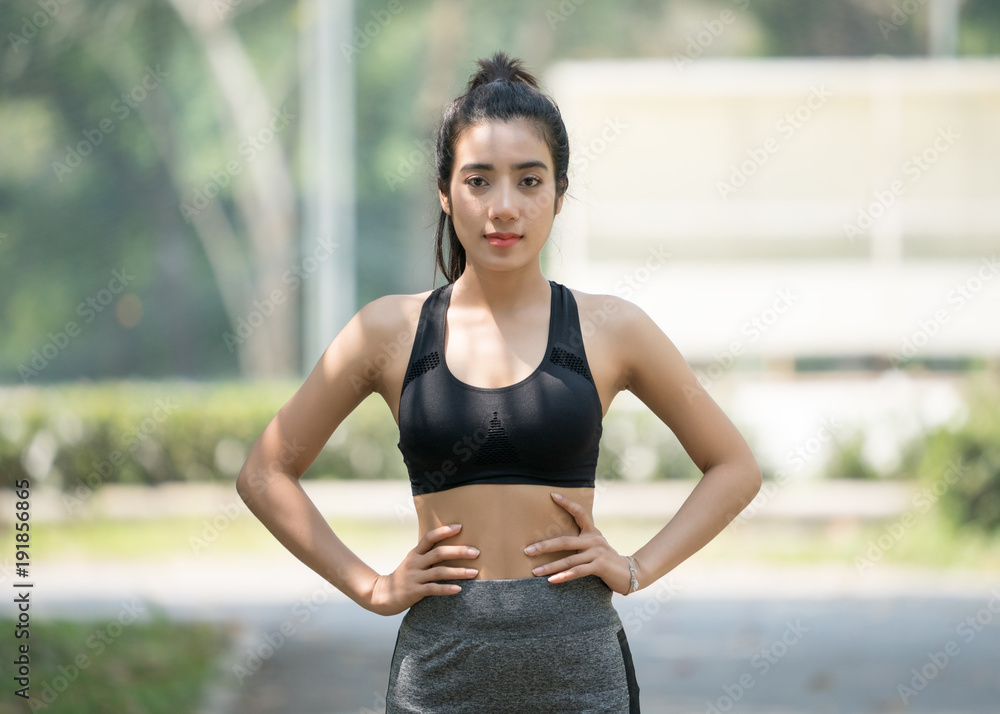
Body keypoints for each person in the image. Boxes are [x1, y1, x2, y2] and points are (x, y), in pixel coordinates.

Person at [237, 50, 762, 713]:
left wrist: (635, 568)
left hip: (582, 676)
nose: (504, 207)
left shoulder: (613, 329)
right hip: (439, 676)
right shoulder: (387, 332)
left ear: (560, 195)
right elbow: (264, 472)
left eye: (530, 181)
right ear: (443, 191)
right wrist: (372, 587)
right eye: (479, 181)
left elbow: (734, 466)